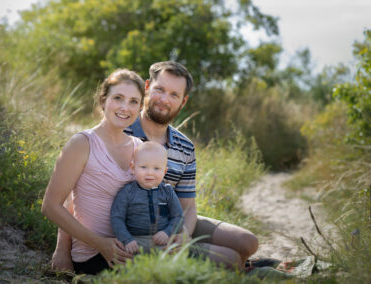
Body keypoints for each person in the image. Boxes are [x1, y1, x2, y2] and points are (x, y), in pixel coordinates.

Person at [51, 61, 259, 272]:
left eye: (174, 94)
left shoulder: (175, 146)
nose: (164, 99)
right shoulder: (119, 128)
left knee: (247, 243)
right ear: (148, 88)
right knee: (230, 259)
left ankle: (240, 263)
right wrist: (62, 250)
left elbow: (187, 206)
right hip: (130, 231)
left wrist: (182, 236)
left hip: (165, 220)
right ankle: (234, 265)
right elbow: (75, 195)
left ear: (183, 101)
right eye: (160, 89)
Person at [41, 69, 146, 275]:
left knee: (221, 254)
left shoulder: (140, 147)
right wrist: (99, 244)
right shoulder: (82, 143)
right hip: (94, 255)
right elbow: (50, 206)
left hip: (135, 246)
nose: (125, 107)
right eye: (118, 98)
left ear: (141, 107)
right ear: (103, 100)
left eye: (134, 101)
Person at [110, 141, 184, 254]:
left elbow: (178, 216)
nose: (150, 173)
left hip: (162, 240)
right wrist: (127, 239)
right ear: (133, 167)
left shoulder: (167, 191)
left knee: (171, 257)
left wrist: (167, 232)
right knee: (129, 261)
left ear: (164, 171)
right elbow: (116, 218)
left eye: (156, 168)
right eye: (144, 167)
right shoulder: (127, 192)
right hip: (135, 241)